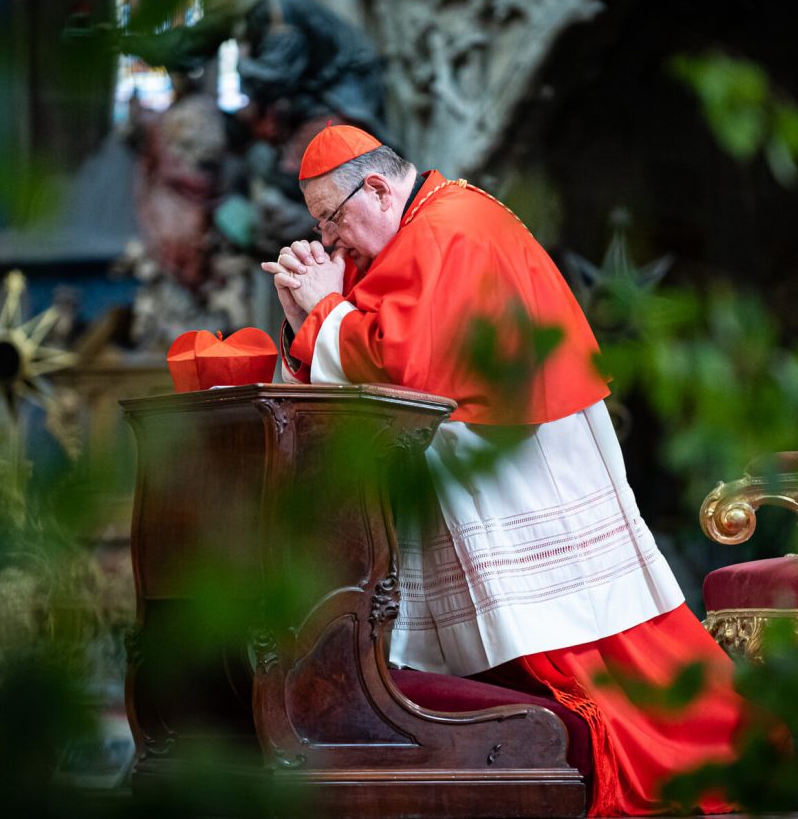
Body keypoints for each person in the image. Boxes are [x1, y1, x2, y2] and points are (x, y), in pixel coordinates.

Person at [261, 125, 749, 815]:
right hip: (493, 463)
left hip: (525, 467)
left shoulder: (447, 229)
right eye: (320, 226)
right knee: (549, 648)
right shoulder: (420, 228)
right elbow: (369, 338)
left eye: (332, 219)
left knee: (586, 644)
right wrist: (307, 313)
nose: (331, 238)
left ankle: (704, 759)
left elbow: (403, 368)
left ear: (376, 188)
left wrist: (323, 308)